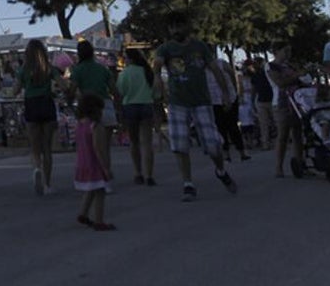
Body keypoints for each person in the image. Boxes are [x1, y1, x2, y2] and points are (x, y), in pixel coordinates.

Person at [151, 10, 237, 202]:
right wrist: (157, 80)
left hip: (201, 102)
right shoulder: (165, 49)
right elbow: (157, 66)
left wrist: (225, 94)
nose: (175, 30)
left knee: (213, 144)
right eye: (172, 26)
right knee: (180, 145)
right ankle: (188, 183)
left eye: (179, 25)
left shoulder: (200, 47)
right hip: (177, 102)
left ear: (186, 26)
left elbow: (215, 70)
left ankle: (220, 170)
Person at [12, 39, 62, 196]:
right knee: (47, 147)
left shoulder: (23, 70)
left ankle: (36, 168)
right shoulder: (49, 68)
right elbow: (63, 85)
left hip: (31, 105)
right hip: (47, 104)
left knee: (35, 147)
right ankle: (47, 184)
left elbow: (15, 90)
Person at [69, 40, 119, 186]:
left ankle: (96, 178)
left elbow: (72, 89)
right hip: (105, 105)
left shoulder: (77, 70)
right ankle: (106, 176)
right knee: (105, 146)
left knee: (91, 147)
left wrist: (70, 100)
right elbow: (114, 90)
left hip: (88, 108)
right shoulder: (102, 69)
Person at [74, 93, 114, 231]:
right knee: (100, 191)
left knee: (90, 190)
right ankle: (99, 220)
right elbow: (99, 148)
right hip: (94, 164)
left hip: (83, 163)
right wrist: (106, 167)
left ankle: (83, 213)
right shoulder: (96, 127)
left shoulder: (80, 125)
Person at [116, 48, 156, 186]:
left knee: (134, 142)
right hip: (146, 104)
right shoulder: (147, 72)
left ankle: (138, 173)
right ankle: (149, 175)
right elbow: (155, 92)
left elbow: (121, 91)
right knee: (147, 142)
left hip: (130, 106)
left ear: (130, 59)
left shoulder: (124, 74)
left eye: (125, 58)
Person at [266, 44, 305, 179]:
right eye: (285, 51)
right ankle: (279, 166)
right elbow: (280, 83)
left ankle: (300, 163)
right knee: (283, 134)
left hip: (296, 101)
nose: (288, 54)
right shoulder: (271, 66)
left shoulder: (290, 66)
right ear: (277, 51)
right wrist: (296, 76)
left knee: (298, 134)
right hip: (281, 102)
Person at [208, 53, 250, 162]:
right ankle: (226, 153)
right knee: (220, 127)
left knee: (233, 126)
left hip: (229, 98)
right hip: (214, 101)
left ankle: (241, 151)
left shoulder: (221, 63)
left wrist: (234, 92)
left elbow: (232, 76)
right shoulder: (201, 69)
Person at [247, 58, 275, 150]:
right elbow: (254, 90)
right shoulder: (255, 76)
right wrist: (252, 101)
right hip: (263, 101)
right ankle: (266, 143)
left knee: (269, 124)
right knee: (264, 124)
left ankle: (269, 143)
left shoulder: (268, 73)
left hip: (269, 100)